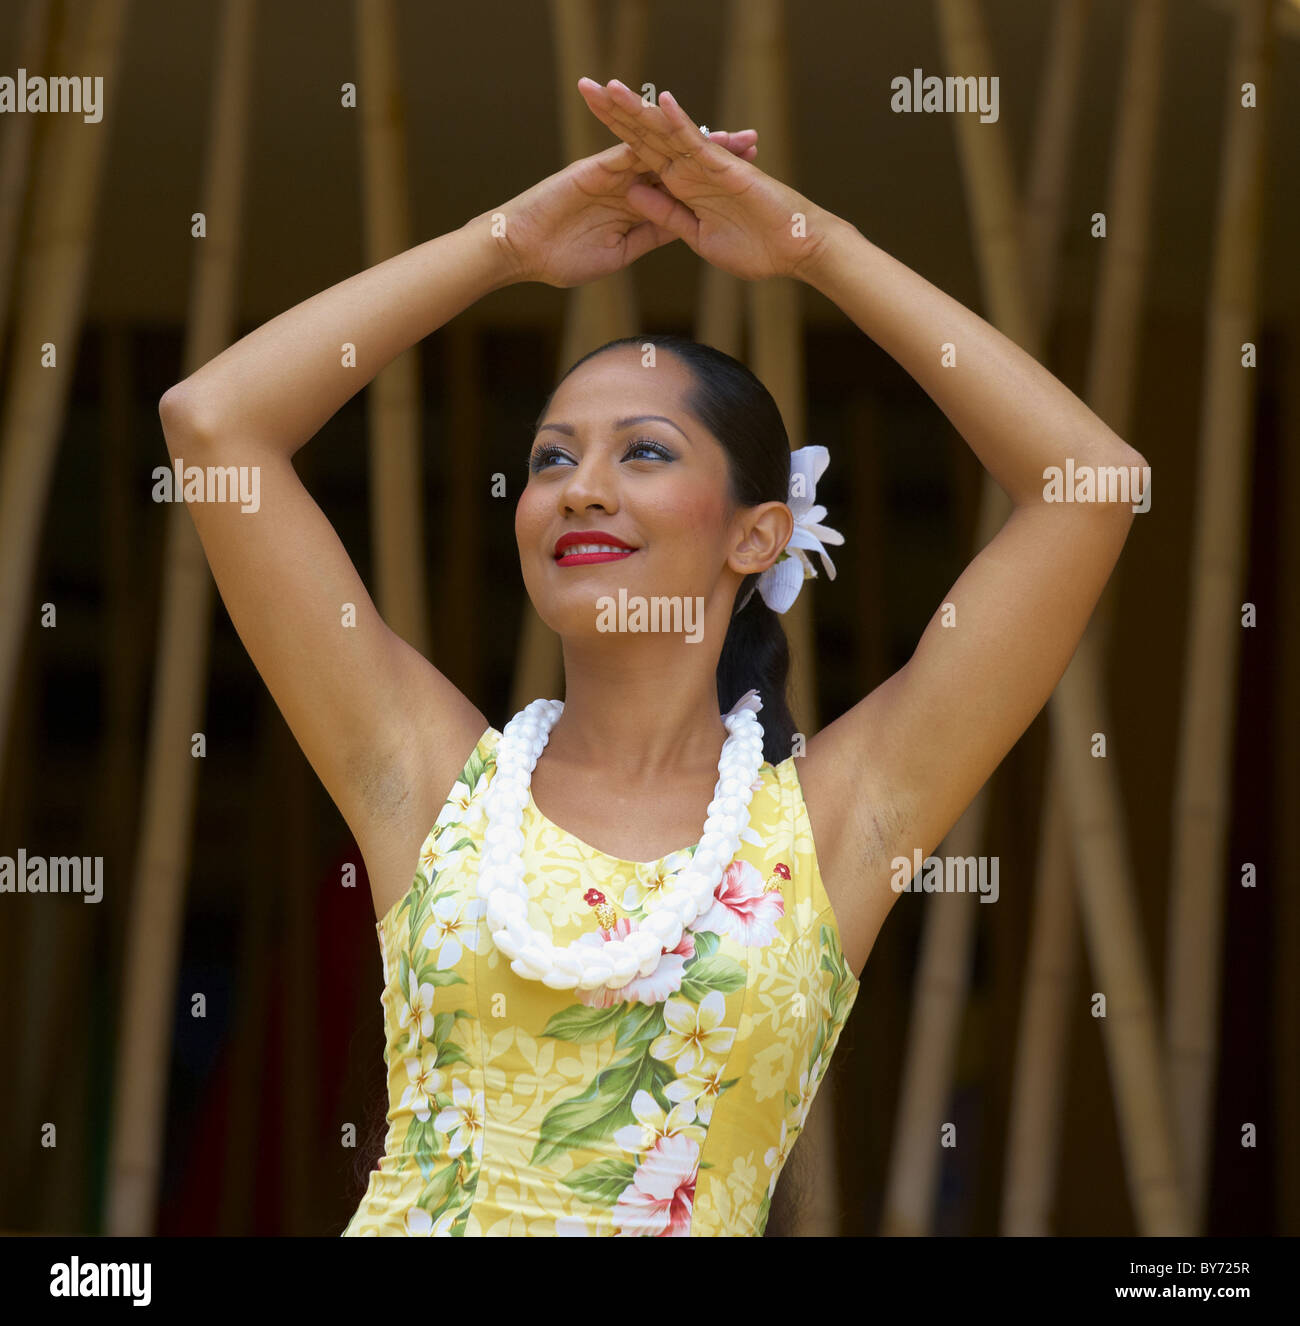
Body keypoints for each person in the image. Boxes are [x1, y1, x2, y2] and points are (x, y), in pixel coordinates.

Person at [158, 78, 1145, 1236]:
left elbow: (1090, 486)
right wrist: (507, 244)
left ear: (757, 532)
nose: (581, 485)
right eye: (550, 459)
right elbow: (213, 424)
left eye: (643, 452)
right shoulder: (429, 784)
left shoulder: (833, 826)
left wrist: (815, 246)